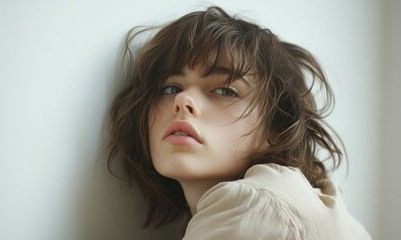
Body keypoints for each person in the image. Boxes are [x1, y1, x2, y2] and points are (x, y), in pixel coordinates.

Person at [107, 6, 371, 239]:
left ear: (277, 127)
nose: (183, 99)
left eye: (225, 91)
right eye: (170, 87)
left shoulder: (255, 205)